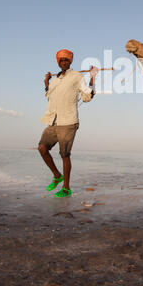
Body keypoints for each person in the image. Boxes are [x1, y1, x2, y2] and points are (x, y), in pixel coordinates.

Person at [38, 49, 98, 197]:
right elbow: (49, 96)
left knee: (64, 154)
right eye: (61, 60)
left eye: (66, 60)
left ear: (70, 61)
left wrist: (92, 77)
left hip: (68, 122)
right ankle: (57, 175)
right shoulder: (55, 79)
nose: (63, 62)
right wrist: (46, 82)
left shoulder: (77, 76)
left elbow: (87, 96)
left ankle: (66, 188)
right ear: (58, 62)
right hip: (53, 121)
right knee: (42, 148)